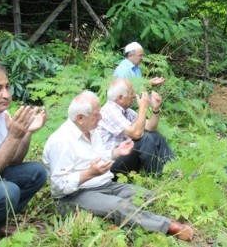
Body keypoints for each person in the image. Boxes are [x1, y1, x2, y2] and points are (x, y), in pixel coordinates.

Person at [42, 91, 193, 241]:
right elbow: (58, 186)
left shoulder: (91, 130)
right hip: (74, 195)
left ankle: (133, 220)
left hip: (103, 184)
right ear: (80, 118)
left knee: (148, 196)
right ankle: (168, 227)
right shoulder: (61, 141)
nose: (100, 118)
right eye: (96, 115)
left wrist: (116, 152)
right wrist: (89, 173)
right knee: (120, 206)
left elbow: (100, 157)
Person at [0, 61, 47, 242]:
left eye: (7, 87)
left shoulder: (1, 115)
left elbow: (13, 160)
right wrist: (14, 136)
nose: (6, 95)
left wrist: (26, 133)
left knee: (36, 173)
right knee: (7, 191)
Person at [96, 78, 174, 177]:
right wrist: (143, 108)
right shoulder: (109, 110)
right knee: (144, 139)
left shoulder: (127, 111)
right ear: (120, 98)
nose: (134, 96)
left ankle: (174, 167)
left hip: (124, 154)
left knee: (155, 136)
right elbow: (137, 134)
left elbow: (151, 127)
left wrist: (155, 109)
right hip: (110, 164)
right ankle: (160, 175)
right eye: (131, 93)